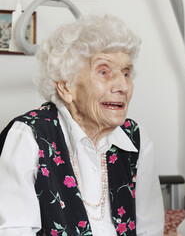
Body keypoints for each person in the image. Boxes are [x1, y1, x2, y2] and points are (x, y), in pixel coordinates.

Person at [0, 14, 164, 236]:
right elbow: (14, 231)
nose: (123, 85)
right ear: (66, 87)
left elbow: (150, 231)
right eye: (104, 72)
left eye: (126, 73)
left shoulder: (137, 140)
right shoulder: (28, 137)